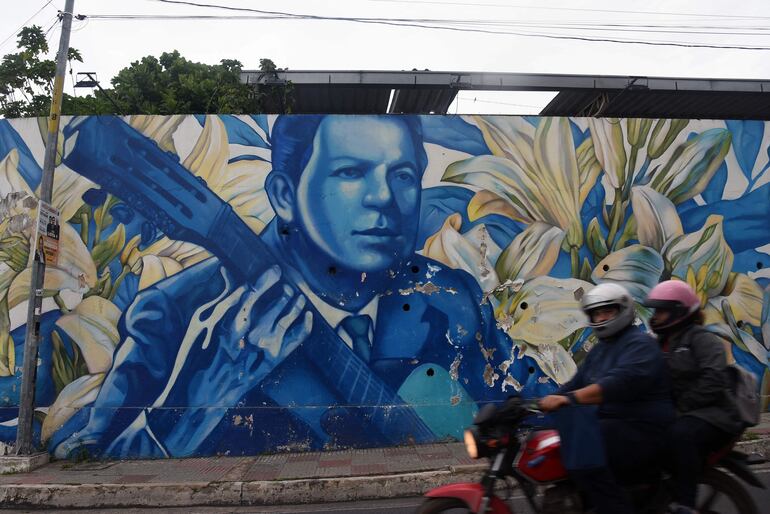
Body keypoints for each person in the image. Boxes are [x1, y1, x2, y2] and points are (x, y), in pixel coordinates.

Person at [52, 115, 551, 458]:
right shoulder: (175, 312)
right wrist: (198, 401)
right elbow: (89, 458)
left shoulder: (451, 297)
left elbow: (521, 398)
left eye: (402, 174)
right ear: (284, 196)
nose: (384, 197)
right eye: (352, 172)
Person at [539, 283, 675, 514]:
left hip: (644, 429)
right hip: (615, 425)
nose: (601, 317)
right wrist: (533, 403)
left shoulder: (640, 344)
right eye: (596, 313)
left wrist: (570, 399)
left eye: (607, 311)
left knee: (587, 450)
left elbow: (617, 383)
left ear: (623, 310)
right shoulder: (601, 349)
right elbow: (575, 383)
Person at [644, 280, 743, 514]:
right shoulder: (661, 344)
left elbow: (714, 378)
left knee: (680, 434)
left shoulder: (702, 339)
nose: (656, 316)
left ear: (679, 312)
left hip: (715, 415)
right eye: (655, 310)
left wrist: (682, 406)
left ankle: (686, 504)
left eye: (662, 311)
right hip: (684, 412)